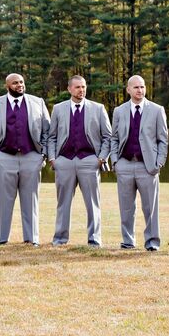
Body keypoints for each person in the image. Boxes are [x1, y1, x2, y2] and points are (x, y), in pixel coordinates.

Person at [0, 73, 49, 246]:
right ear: (7, 86)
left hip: (31, 156)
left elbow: (48, 132)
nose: (19, 85)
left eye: (21, 82)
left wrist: (42, 155)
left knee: (31, 200)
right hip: (3, 157)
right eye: (15, 83)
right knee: (4, 200)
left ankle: (32, 239)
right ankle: (2, 239)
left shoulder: (38, 102)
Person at [48, 75, 111, 247]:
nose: (81, 90)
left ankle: (94, 239)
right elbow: (51, 136)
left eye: (83, 87)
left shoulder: (98, 108)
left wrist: (101, 158)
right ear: (69, 89)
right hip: (64, 161)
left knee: (93, 204)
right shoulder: (58, 109)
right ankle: (60, 239)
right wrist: (53, 159)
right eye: (77, 87)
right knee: (63, 203)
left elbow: (108, 136)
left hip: (90, 160)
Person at [110, 75, 168, 251]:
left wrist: (158, 163)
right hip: (125, 164)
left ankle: (152, 242)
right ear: (128, 89)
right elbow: (114, 138)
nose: (140, 90)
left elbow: (163, 140)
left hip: (147, 166)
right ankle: (128, 241)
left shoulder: (157, 110)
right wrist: (115, 162)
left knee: (150, 208)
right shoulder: (119, 111)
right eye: (136, 87)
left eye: (142, 87)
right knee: (126, 208)